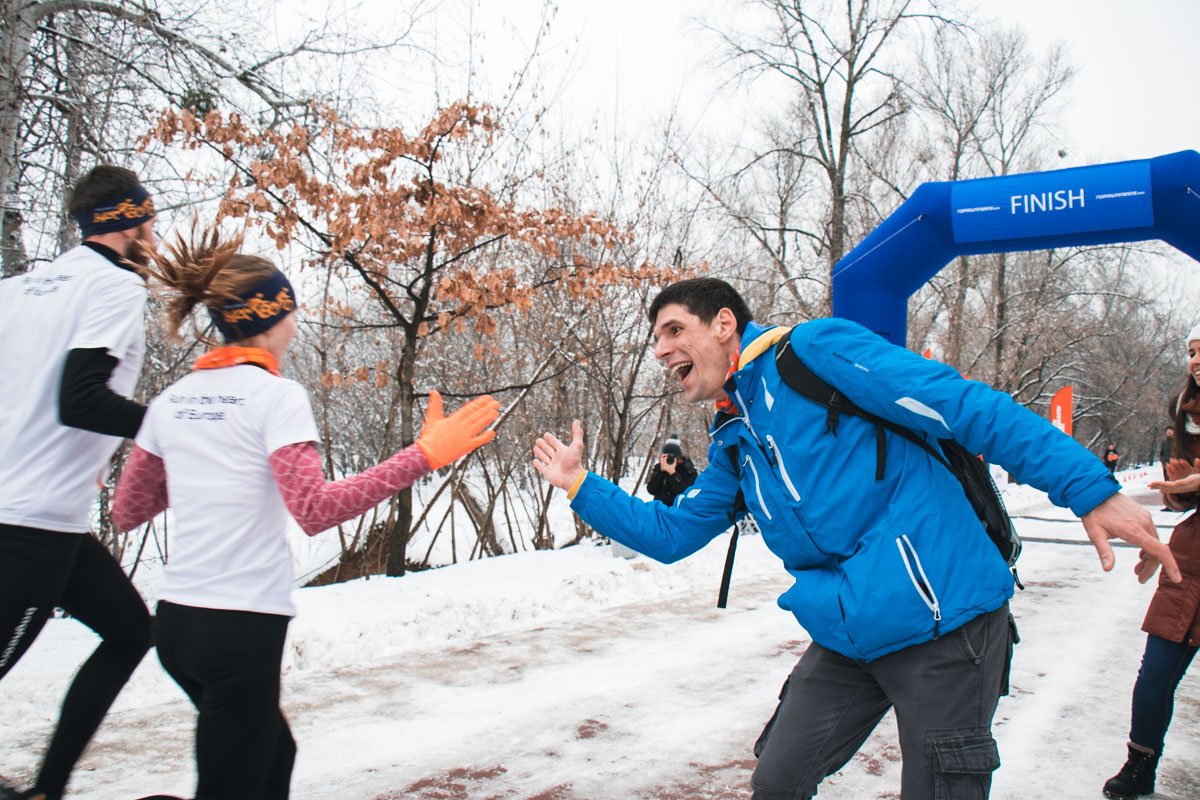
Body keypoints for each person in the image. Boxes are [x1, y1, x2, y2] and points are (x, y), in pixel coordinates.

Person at [531, 277, 1179, 800]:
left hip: (947, 622)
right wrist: (582, 484)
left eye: (674, 330)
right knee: (777, 781)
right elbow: (671, 534)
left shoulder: (814, 354)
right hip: (850, 635)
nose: (662, 349)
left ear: (723, 324)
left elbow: (964, 406)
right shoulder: (738, 439)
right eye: (656, 339)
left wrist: (1088, 488)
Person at [110, 226, 500, 800]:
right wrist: (422, 456)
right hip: (239, 629)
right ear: (270, 317)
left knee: (272, 758)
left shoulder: (172, 400)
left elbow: (126, 509)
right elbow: (315, 510)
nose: (296, 323)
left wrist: (209, 462)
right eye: (291, 310)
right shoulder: (276, 397)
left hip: (177, 628)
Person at [0, 166, 157, 800]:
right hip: (30, 523)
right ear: (127, 220)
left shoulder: (19, 289)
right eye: (149, 219)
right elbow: (81, 399)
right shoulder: (117, 287)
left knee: (130, 631)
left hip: (47, 516)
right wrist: (168, 426)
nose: (153, 230)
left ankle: (47, 790)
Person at [1101, 328, 1200, 800]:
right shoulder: (1184, 411)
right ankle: (1140, 766)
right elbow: (1183, 499)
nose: (1196, 361)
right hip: (1192, 562)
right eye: (1192, 352)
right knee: (1154, 676)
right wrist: (1182, 491)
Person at [645, 434, 698, 507]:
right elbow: (651, 490)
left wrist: (673, 474)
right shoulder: (660, 467)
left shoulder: (688, 470)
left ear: (679, 459)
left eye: (672, 457)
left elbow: (687, 494)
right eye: (665, 456)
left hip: (678, 512)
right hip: (659, 510)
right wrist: (660, 471)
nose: (669, 460)